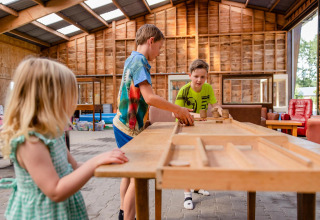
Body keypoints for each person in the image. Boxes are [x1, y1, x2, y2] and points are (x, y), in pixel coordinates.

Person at [0, 57, 128, 220]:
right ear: (49, 101)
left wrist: (105, 162)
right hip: (41, 214)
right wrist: (94, 163)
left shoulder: (54, 134)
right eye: (69, 98)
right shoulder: (30, 142)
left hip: (62, 211)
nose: (73, 105)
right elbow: (55, 190)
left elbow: (74, 167)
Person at [113, 24, 194, 220]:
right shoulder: (140, 61)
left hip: (120, 123)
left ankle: (123, 213)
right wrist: (178, 109)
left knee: (128, 173)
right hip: (129, 128)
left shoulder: (131, 59)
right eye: (159, 47)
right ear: (151, 41)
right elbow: (149, 98)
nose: (158, 53)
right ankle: (128, 217)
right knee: (138, 177)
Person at [175, 59, 223, 210]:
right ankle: (187, 194)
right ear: (190, 75)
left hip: (202, 128)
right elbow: (175, 113)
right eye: (196, 76)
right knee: (187, 160)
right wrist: (195, 116)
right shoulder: (184, 91)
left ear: (206, 77)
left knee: (202, 157)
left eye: (203, 77)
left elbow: (215, 105)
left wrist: (220, 111)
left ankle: (197, 187)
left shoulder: (208, 88)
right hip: (186, 128)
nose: (199, 80)